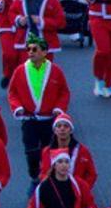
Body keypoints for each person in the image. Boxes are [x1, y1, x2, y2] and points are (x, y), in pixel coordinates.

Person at [8, 37, 72, 181]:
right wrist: (17, 108)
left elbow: (64, 92)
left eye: (35, 49)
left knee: (48, 149)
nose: (30, 52)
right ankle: (34, 174)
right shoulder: (20, 71)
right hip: (29, 118)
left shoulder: (55, 71)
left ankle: (48, 176)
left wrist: (59, 108)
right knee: (30, 150)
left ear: (44, 52)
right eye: (28, 49)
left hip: (48, 119)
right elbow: (13, 92)